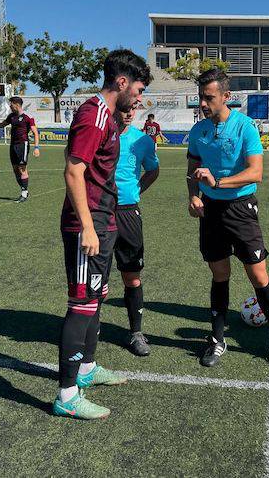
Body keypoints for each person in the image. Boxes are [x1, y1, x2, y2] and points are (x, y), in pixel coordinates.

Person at [55, 49, 151, 420]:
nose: (140, 98)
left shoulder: (108, 118)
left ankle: (87, 369)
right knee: (81, 304)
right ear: (122, 82)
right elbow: (73, 170)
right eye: (139, 89)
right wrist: (89, 227)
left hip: (106, 220)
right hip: (88, 224)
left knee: (97, 298)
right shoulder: (93, 114)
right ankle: (66, 394)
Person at [186, 68, 269, 369]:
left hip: (241, 209)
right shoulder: (198, 131)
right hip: (211, 211)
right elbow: (192, 169)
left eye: (209, 98)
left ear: (226, 96)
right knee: (219, 275)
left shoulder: (245, 127)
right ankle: (217, 340)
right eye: (200, 98)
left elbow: (255, 173)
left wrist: (217, 182)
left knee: (258, 276)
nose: (203, 104)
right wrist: (194, 195)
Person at [113, 107, 160, 357]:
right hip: (100, 212)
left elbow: (153, 170)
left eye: (133, 109)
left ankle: (136, 333)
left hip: (129, 212)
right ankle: (89, 331)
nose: (130, 113)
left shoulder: (142, 140)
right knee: (92, 278)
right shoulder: (100, 134)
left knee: (132, 276)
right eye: (124, 108)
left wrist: (136, 190)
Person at [0, 96, 40, 202]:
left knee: (22, 168)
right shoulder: (12, 116)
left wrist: (36, 147)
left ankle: (24, 192)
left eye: (11, 104)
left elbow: (35, 133)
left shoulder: (28, 117)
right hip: (13, 145)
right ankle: (24, 190)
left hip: (23, 145)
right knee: (15, 169)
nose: (10, 106)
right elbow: (1, 125)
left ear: (16, 104)